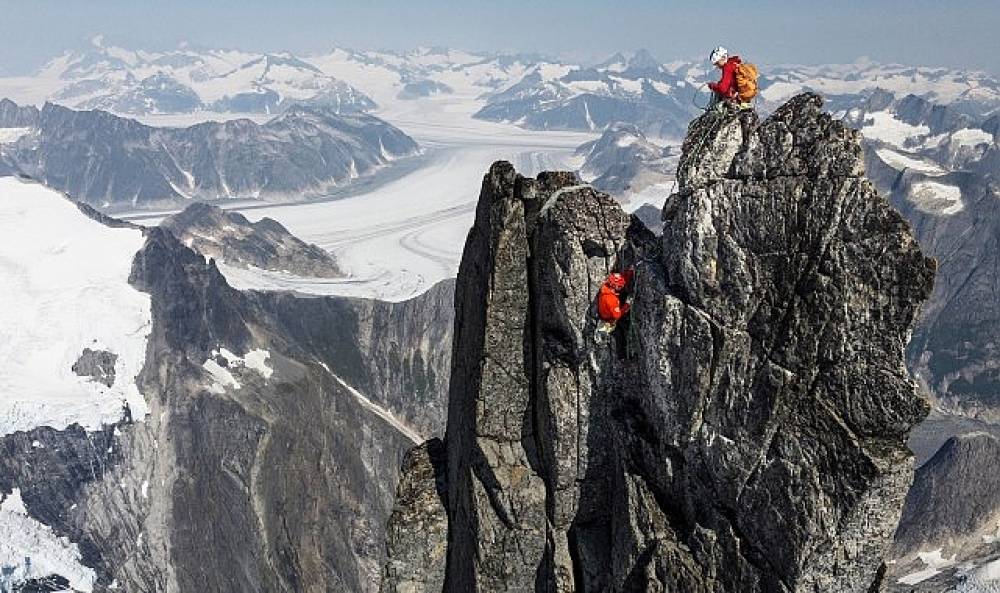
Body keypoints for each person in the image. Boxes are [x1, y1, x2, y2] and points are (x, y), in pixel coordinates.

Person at [707, 46, 757, 151]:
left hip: (736, 99)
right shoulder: (735, 64)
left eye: (717, 63)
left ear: (722, 58)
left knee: (719, 110)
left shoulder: (727, 68)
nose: (717, 66)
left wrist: (712, 86)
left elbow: (723, 88)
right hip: (744, 98)